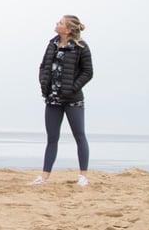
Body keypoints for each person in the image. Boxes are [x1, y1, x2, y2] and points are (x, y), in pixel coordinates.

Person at [28, 15, 94, 187]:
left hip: (73, 100)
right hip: (52, 99)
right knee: (52, 138)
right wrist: (44, 83)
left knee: (79, 135)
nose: (57, 24)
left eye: (60, 23)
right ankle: (44, 176)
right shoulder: (52, 44)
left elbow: (88, 72)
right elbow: (43, 66)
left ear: (68, 29)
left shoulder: (81, 47)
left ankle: (83, 176)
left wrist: (72, 87)